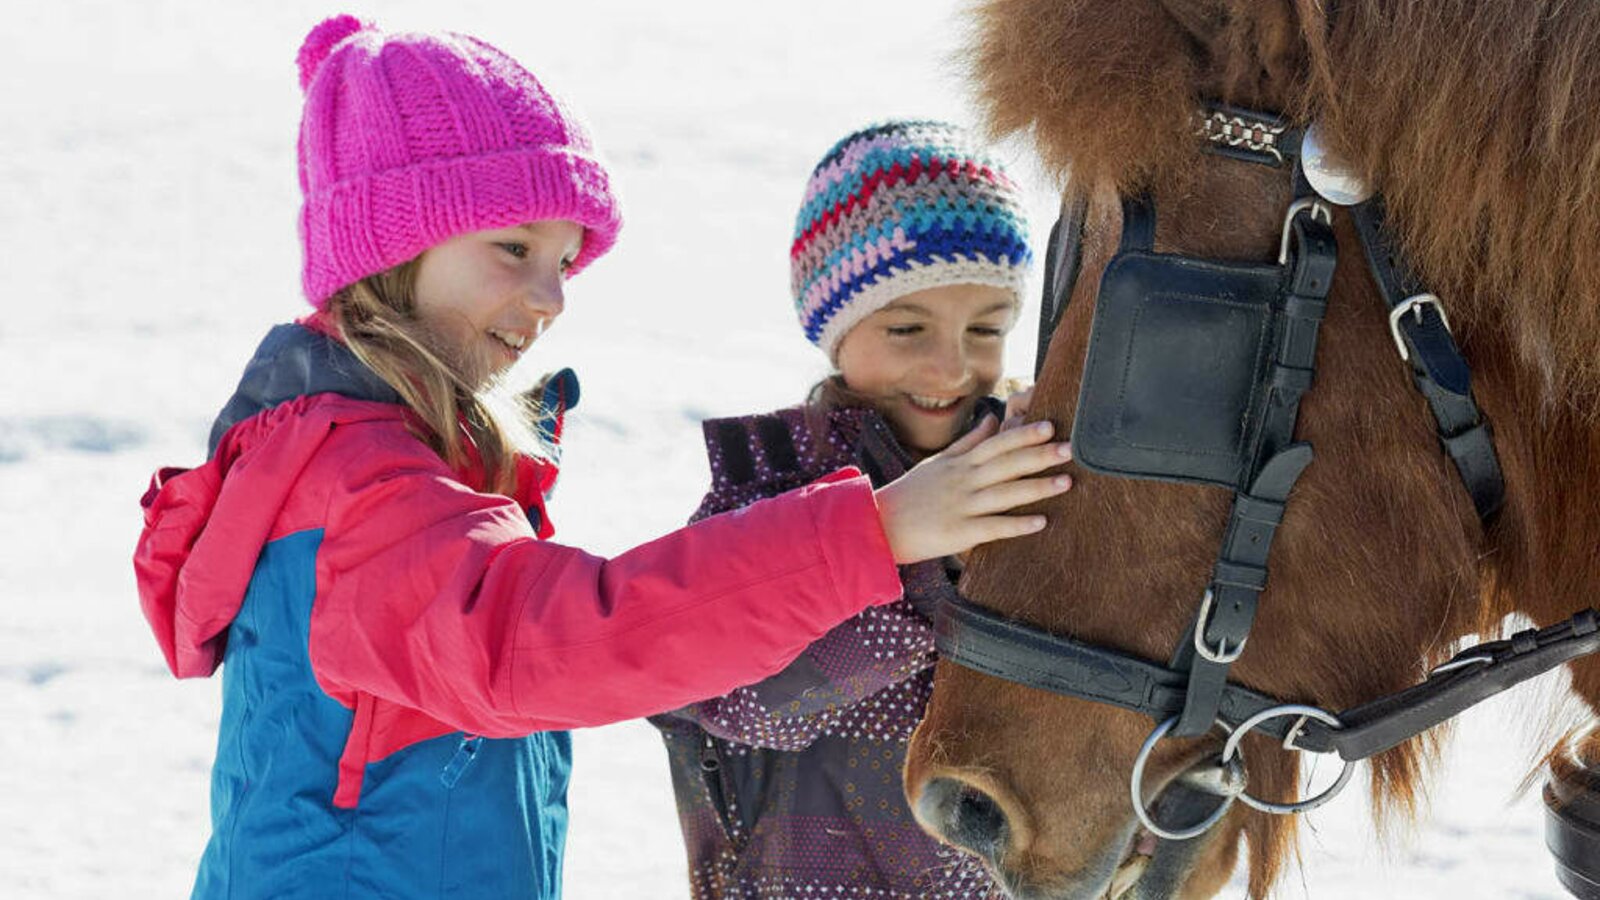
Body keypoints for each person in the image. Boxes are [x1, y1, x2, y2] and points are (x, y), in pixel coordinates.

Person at [131, 19, 1070, 900]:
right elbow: (567, 640)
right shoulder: (355, 494)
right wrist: (878, 532)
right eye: (515, 247)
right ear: (391, 241)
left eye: (566, 262)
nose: (551, 297)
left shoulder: (398, 464)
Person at [653, 121, 1059, 899]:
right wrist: (921, 566)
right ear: (834, 329)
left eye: (986, 330)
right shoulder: (768, 491)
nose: (951, 366)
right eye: (906, 328)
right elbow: (731, 700)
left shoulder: (1032, 468)